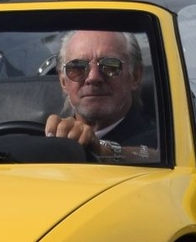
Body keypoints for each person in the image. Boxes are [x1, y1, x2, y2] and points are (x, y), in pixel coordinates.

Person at [42, 28, 158, 158]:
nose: (93, 77)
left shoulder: (167, 141)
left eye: (110, 66)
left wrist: (105, 150)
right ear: (63, 81)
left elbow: (152, 155)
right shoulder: (44, 137)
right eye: (78, 67)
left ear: (135, 76)